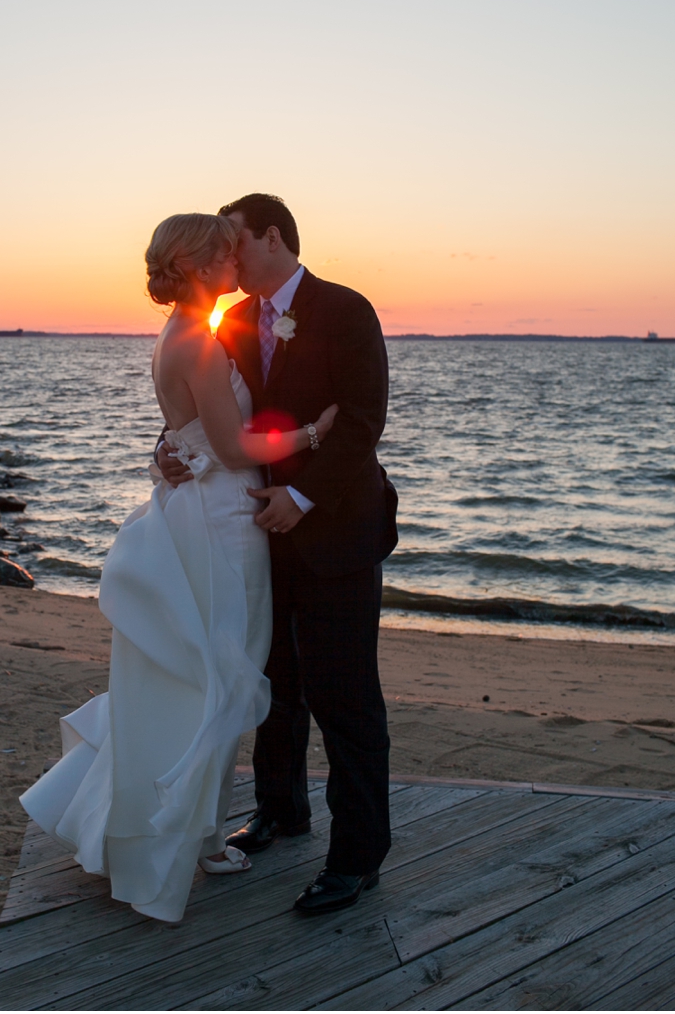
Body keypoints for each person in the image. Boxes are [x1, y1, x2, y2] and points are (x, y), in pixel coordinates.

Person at [20, 212, 337, 924]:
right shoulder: (197, 338)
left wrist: (170, 452)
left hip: (197, 514)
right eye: (225, 255)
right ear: (199, 268)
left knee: (205, 675)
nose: (235, 264)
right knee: (223, 675)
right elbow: (230, 446)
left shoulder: (180, 334)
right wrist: (316, 430)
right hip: (223, 524)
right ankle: (191, 837)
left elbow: (185, 434)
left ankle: (189, 829)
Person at [158, 193, 398, 915]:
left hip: (336, 529)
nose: (227, 258)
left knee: (344, 694)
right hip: (253, 528)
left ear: (272, 236)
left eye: (235, 241)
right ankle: (280, 808)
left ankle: (357, 856)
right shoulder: (224, 322)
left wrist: (303, 496)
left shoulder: (346, 309)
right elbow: (208, 420)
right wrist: (170, 450)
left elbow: (361, 420)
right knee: (273, 683)